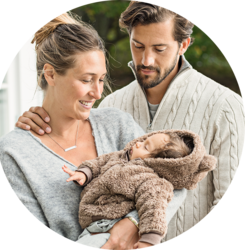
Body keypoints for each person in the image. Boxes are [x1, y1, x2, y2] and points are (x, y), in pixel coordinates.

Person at [15, 1, 245, 244]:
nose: (145, 60)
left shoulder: (226, 107)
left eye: (159, 49)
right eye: (137, 46)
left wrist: (136, 227)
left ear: (183, 45)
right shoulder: (112, 106)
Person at [0, 10, 188, 249]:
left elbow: (177, 179)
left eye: (101, 79)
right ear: (51, 74)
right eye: (87, 80)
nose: (97, 93)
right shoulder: (14, 153)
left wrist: (130, 226)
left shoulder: (116, 124)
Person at [61, 129, 216, 249]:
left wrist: (149, 239)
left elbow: (154, 208)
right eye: (144, 140)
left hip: (110, 225)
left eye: (145, 146)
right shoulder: (120, 157)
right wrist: (84, 173)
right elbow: (98, 163)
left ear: (158, 162)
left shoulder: (150, 180)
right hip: (93, 223)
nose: (137, 143)